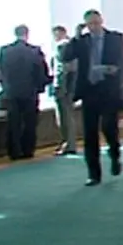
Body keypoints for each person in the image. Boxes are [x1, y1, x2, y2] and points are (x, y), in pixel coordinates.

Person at [63, 9, 123, 186]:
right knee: (90, 133)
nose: (94, 27)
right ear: (86, 25)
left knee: (109, 128)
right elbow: (65, 57)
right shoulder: (82, 41)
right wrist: (75, 36)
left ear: (101, 21)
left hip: (109, 90)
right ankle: (94, 174)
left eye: (96, 23)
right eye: (90, 24)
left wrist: (120, 79)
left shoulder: (115, 38)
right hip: (89, 91)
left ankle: (115, 155)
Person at [0, 24, 50, 160]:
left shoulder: (5, 51)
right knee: (29, 123)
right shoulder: (34, 51)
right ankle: (28, 150)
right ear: (27, 34)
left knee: (13, 122)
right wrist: (41, 87)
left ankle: (14, 151)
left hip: (11, 91)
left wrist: (5, 87)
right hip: (30, 92)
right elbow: (41, 72)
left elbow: (0, 71)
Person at [50, 25, 77, 155]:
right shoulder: (71, 45)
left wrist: (62, 88)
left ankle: (68, 144)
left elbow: (65, 70)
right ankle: (68, 143)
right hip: (68, 87)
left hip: (63, 87)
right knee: (67, 116)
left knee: (64, 117)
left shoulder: (63, 46)